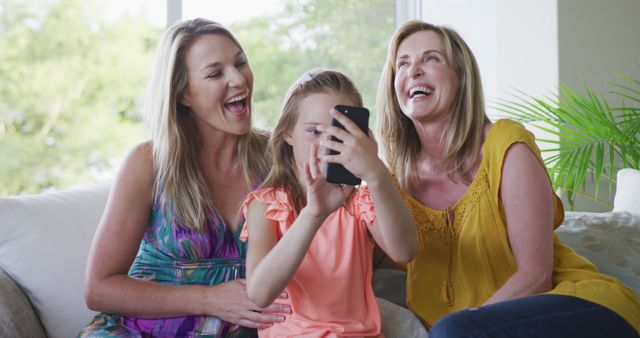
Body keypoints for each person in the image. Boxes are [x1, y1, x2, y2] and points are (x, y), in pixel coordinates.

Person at [376, 20, 640, 337]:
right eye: (402, 64)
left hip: (583, 306)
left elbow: (535, 276)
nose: (413, 71)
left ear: (462, 77)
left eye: (431, 58)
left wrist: (461, 330)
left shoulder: (506, 146)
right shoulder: (388, 188)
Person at [79, 18, 290, 337]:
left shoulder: (279, 157)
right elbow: (99, 289)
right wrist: (208, 298)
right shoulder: (149, 162)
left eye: (240, 63)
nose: (238, 79)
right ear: (182, 94)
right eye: (216, 73)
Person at [241, 68, 418, 337]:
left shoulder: (359, 201)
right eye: (313, 131)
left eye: (339, 134)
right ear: (288, 132)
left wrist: (376, 172)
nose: (325, 144)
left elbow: (404, 251)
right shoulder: (267, 205)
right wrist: (313, 213)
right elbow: (260, 293)